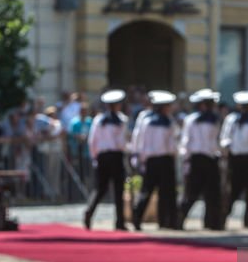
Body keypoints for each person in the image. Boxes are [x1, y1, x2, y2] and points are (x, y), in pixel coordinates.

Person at [130, 90, 179, 230]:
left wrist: (140, 157)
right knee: (166, 192)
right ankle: (166, 221)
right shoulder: (168, 122)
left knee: (147, 191)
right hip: (164, 159)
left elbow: (140, 141)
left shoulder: (146, 122)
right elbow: (171, 145)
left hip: (150, 160)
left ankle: (138, 218)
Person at [178, 89, 223, 230]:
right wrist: (186, 160)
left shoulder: (215, 120)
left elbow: (216, 141)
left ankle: (212, 222)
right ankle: (178, 219)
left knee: (213, 193)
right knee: (191, 192)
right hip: (197, 159)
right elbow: (186, 141)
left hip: (210, 159)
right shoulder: (191, 120)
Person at [83, 90, 128, 230]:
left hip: (102, 156)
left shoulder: (99, 120)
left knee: (100, 188)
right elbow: (121, 142)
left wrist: (95, 157)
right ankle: (119, 221)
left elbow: (92, 141)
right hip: (115, 156)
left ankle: (90, 211)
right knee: (118, 189)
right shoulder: (121, 120)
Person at [221, 90, 248, 229]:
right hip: (235, 158)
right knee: (232, 191)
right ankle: (222, 219)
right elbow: (225, 138)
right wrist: (227, 150)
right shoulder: (232, 119)